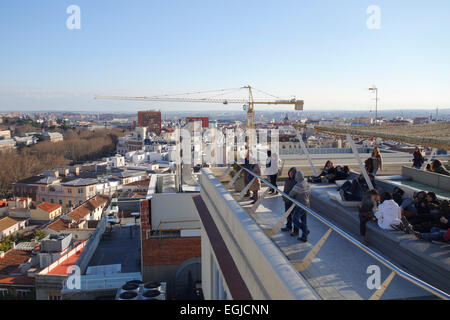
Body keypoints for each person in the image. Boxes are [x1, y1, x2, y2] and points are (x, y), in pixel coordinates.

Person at [289, 171, 310, 242]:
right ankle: (304, 237)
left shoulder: (298, 185)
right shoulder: (307, 184)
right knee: (304, 221)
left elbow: (290, 194)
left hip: (300, 205)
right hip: (307, 204)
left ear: (297, 177)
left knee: (294, 219)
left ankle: (305, 230)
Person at [281, 167, 298, 233]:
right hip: (287, 200)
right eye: (290, 173)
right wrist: (283, 196)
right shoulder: (287, 180)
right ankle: (288, 226)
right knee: (287, 214)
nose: (290, 174)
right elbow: (285, 189)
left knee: (294, 216)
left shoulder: (296, 181)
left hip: (293, 201)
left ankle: (295, 230)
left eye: (292, 173)